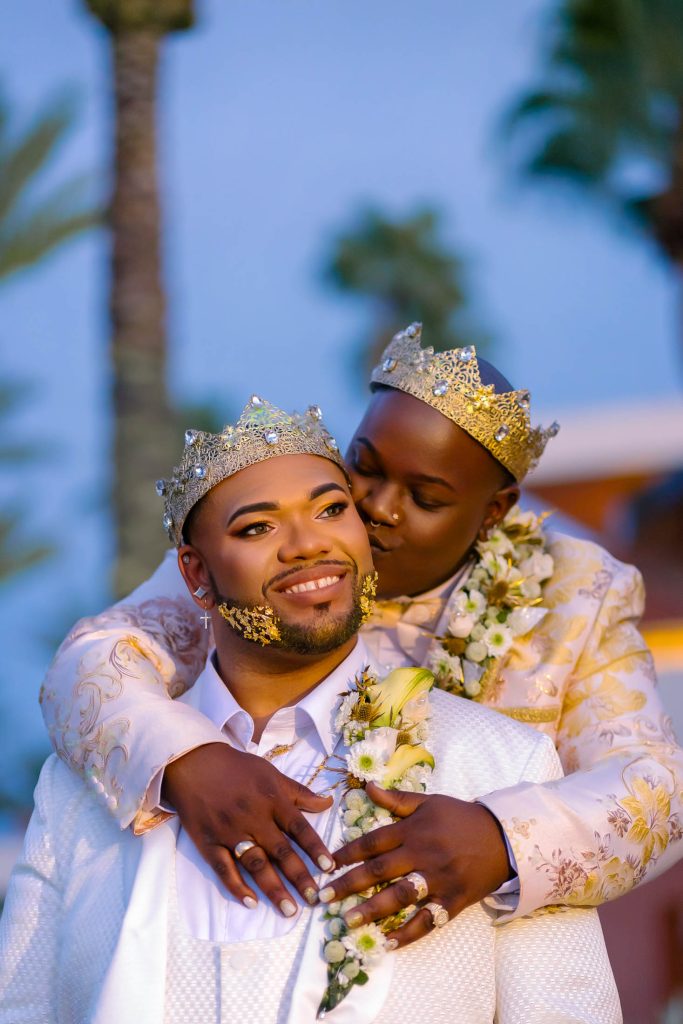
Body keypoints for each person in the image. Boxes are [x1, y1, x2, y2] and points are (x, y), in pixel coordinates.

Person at [38, 327, 683, 941]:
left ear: (494, 513)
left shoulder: (572, 593)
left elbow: (655, 788)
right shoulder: (264, 565)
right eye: (364, 468)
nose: (377, 507)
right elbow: (89, 664)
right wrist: (186, 761)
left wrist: (499, 838)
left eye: (424, 496)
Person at [0, 398, 621, 1023]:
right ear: (196, 575)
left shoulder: (499, 766)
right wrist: (182, 761)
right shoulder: (82, 790)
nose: (307, 544)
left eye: (331, 509)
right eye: (256, 527)